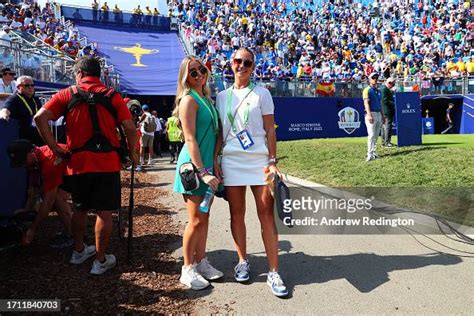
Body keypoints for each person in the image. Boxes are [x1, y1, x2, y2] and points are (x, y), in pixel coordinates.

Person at [34, 57, 138, 275]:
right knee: (104, 212)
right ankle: (100, 260)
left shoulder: (67, 94)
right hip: (107, 162)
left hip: (78, 164)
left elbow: (40, 117)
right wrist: (133, 154)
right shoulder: (112, 96)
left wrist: (54, 148)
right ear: (98, 74)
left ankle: (79, 250)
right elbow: (129, 126)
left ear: (79, 73)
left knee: (80, 209)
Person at [214, 47, 288, 297]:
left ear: (253, 67)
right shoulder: (221, 96)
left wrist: (273, 159)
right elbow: (220, 133)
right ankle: (242, 260)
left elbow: (270, 130)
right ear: (230, 63)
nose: (242, 66)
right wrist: (215, 161)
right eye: (238, 61)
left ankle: (274, 271)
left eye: (247, 62)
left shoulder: (262, 93)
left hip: (259, 161)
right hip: (232, 161)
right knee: (237, 214)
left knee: (266, 214)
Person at [173, 56, 223, 290]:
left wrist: (214, 164)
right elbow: (190, 138)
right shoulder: (188, 100)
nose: (199, 74)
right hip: (193, 170)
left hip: (206, 168)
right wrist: (203, 171)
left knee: (204, 217)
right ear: (186, 77)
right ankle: (187, 268)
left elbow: (212, 135)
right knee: (194, 220)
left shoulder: (205, 99)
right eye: (193, 72)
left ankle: (201, 261)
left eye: (201, 70)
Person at [6, 139, 72, 248]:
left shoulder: (49, 160)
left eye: (22, 160)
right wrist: (27, 209)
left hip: (84, 171)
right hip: (67, 172)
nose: (22, 164)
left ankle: (73, 235)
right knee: (52, 195)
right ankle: (72, 228)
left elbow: (48, 202)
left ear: (31, 152)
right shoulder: (34, 160)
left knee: (57, 198)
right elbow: (33, 188)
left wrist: (33, 229)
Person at [0, 75, 43, 145]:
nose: (30, 87)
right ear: (18, 87)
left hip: (38, 134)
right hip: (23, 137)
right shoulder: (14, 98)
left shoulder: (36, 99)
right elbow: (5, 109)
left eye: (32, 85)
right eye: (27, 85)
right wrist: (4, 114)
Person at [363, 72, 384, 162]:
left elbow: (380, 104)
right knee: (371, 135)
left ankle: (374, 152)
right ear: (369, 79)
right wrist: (369, 115)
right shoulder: (367, 90)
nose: (375, 79)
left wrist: (383, 115)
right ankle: (369, 154)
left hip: (378, 114)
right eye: (373, 77)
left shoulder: (378, 91)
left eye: (376, 77)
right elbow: (366, 103)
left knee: (375, 135)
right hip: (371, 113)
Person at [380, 77, 396, 148]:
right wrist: (394, 103)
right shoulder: (384, 89)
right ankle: (386, 142)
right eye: (393, 84)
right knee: (387, 126)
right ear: (389, 83)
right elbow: (384, 100)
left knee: (385, 126)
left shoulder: (385, 89)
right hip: (386, 110)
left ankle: (384, 142)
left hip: (386, 110)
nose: (393, 86)